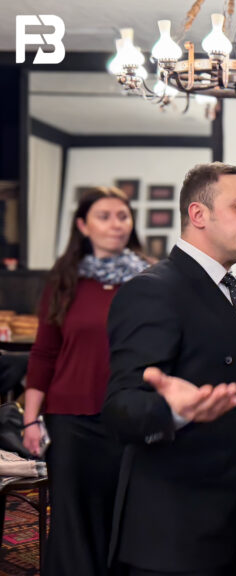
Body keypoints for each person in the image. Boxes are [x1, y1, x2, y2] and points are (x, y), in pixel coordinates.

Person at [102, 162, 236, 575]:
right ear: (198, 214)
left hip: (233, 522)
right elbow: (121, 407)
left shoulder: (232, 289)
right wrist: (173, 410)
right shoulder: (154, 290)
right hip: (177, 534)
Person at [23, 187, 150, 576]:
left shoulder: (151, 279)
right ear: (83, 225)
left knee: (130, 515)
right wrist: (30, 420)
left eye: (123, 216)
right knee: (73, 518)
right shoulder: (64, 281)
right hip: (71, 419)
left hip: (131, 416)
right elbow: (44, 353)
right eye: (104, 216)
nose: (116, 224)